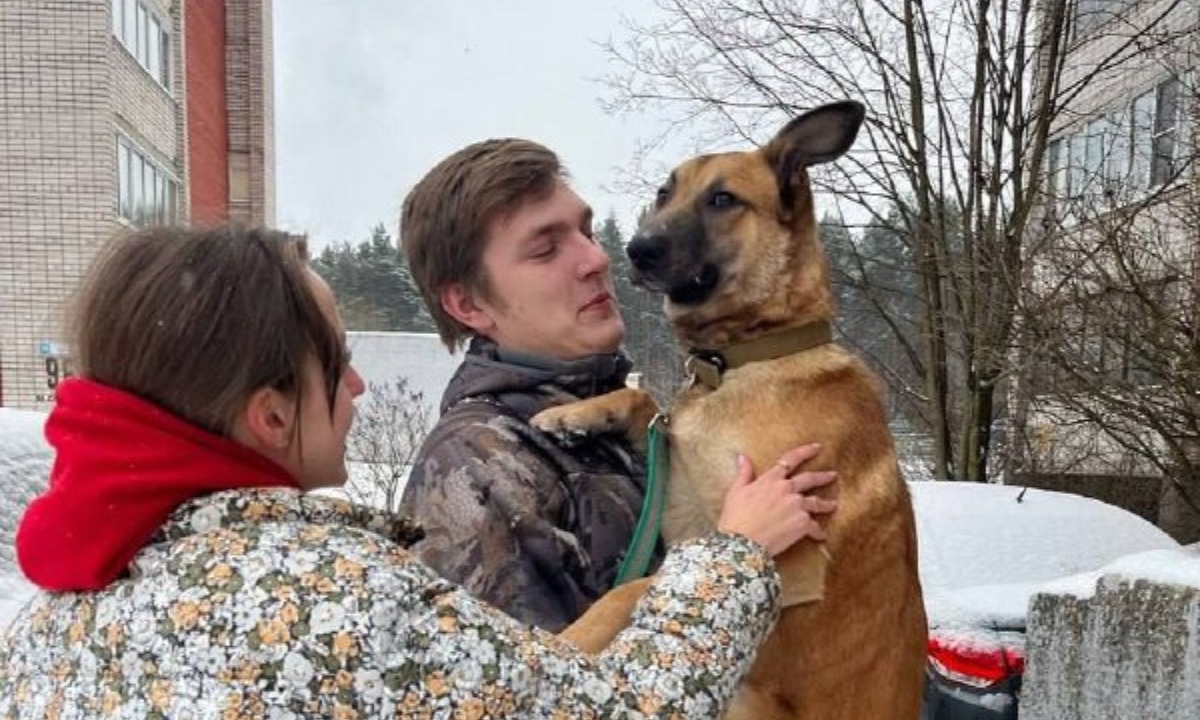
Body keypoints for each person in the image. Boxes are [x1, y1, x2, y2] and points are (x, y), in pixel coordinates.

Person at [0, 224, 837, 718]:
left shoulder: (45, 628)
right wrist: (735, 557)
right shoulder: (340, 601)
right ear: (272, 414)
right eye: (337, 361)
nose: (360, 383)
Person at [399, 138, 837, 631]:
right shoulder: (474, 468)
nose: (596, 259)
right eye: (546, 250)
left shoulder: (614, 414)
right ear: (468, 306)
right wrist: (734, 559)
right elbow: (533, 699)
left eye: (586, 231)